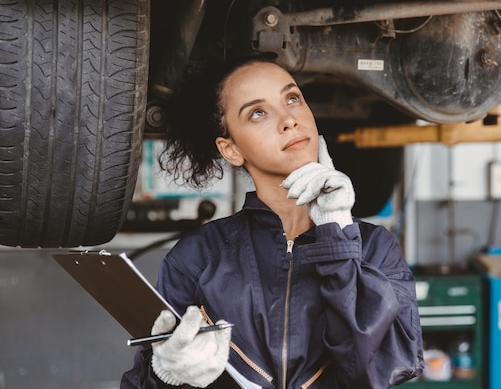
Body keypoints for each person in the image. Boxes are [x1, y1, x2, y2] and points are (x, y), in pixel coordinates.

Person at [120, 57, 424, 389]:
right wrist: (166, 375)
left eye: (292, 98)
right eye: (258, 113)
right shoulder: (196, 257)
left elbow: (384, 369)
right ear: (231, 149)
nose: (289, 120)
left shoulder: (375, 249)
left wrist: (337, 236)